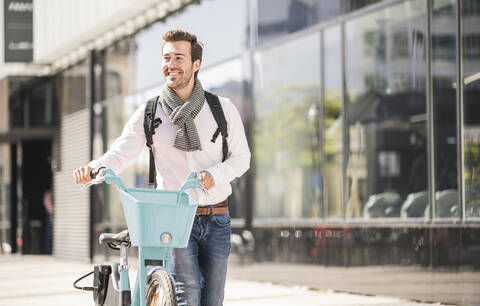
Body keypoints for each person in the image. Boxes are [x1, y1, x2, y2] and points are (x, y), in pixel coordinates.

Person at [73, 29, 251, 305]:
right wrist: (94, 169)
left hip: (217, 218)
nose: (171, 64)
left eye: (179, 57)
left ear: (196, 64)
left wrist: (214, 175)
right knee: (186, 293)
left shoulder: (222, 109)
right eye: (166, 57)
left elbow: (242, 158)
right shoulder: (150, 112)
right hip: (175, 219)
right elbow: (120, 153)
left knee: (213, 299)